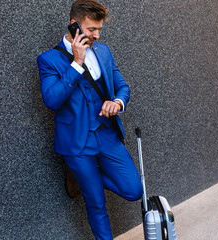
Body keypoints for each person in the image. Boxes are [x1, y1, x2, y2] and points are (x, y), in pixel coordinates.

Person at [37, 0, 143, 239]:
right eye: (91, 29)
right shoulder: (48, 59)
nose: (96, 34)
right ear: (74, 25)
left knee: (134, 190)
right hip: (76, 141)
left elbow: (122, 87)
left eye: (99, 29)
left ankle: (84, 178)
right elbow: (51, 100)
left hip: (105, 133)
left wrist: (117, 102)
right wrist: (76, 63)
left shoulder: (103, 51)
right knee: (96, 203)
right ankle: (84, 178)